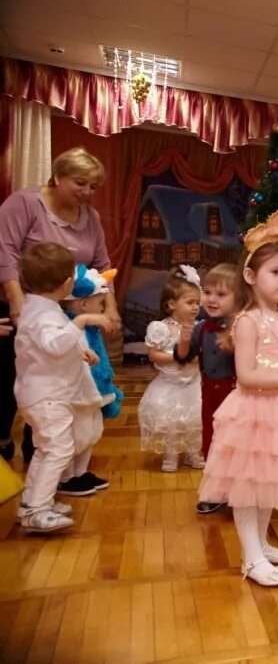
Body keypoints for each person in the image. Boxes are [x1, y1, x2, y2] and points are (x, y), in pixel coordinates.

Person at [198, 211, 278, 587]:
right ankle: (250, 556)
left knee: (269, 482)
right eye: (276, 272)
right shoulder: (248, 321)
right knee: (247, 486)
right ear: (251, 277)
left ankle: (260, 543)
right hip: (253, 412)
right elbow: (249, 376)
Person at [0, 147, 118, 465]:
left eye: (93, 187)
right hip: (24, 305)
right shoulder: (24, 203)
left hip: (66, 310)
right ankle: (4, 440)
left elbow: (102, 264)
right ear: (58, 175)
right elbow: (6, 253)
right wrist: (16, 301)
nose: (87, 192)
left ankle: (42, 451)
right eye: (80, 183)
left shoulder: (90, 217)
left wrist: (111, 308)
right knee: (14, 378)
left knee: (59, 382)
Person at [13, 243, 110, 531]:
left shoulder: (39, 309)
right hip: (47, 398)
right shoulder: (42, 314)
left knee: (47, 450)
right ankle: (37, 510)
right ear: (67, 283)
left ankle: (34, 503)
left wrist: (80, 351)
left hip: (45, 395)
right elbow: (54, 345)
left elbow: (47, 346)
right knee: (58, 449)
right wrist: (82, 320)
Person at [173, 263, 238, 515]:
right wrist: (185, 340)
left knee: (234, 444)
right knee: (212, 442)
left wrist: (236, 342)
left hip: (235, 396)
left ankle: (238, 491)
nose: (211, 299)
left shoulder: (241, 326)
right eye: (208, 292)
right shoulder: (201, 328)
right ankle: (216, 492)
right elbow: (183, 358)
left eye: (221, 294)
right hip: (210, 394)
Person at [54, 265, 122, 496]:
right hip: (77, 392)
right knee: (75, 433)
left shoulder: (90, 328)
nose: (103, 310)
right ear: (84, 304)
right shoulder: (68, 325)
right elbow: (66, 349)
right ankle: (65, 477)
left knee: (91, 430)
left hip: (92, 389)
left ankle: (80, 472)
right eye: (100, 305)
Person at [138, 265, 204, 473]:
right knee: (171, 423)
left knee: (196, 421)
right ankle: (171, 454)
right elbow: (153, 354)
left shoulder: (199, 327)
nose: (195, 307)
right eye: (190, 302)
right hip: (170, 386)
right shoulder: (161, 327)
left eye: (197, 303)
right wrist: (178, 357)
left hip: (194, 384)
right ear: (172, 304)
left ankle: (194, 454)